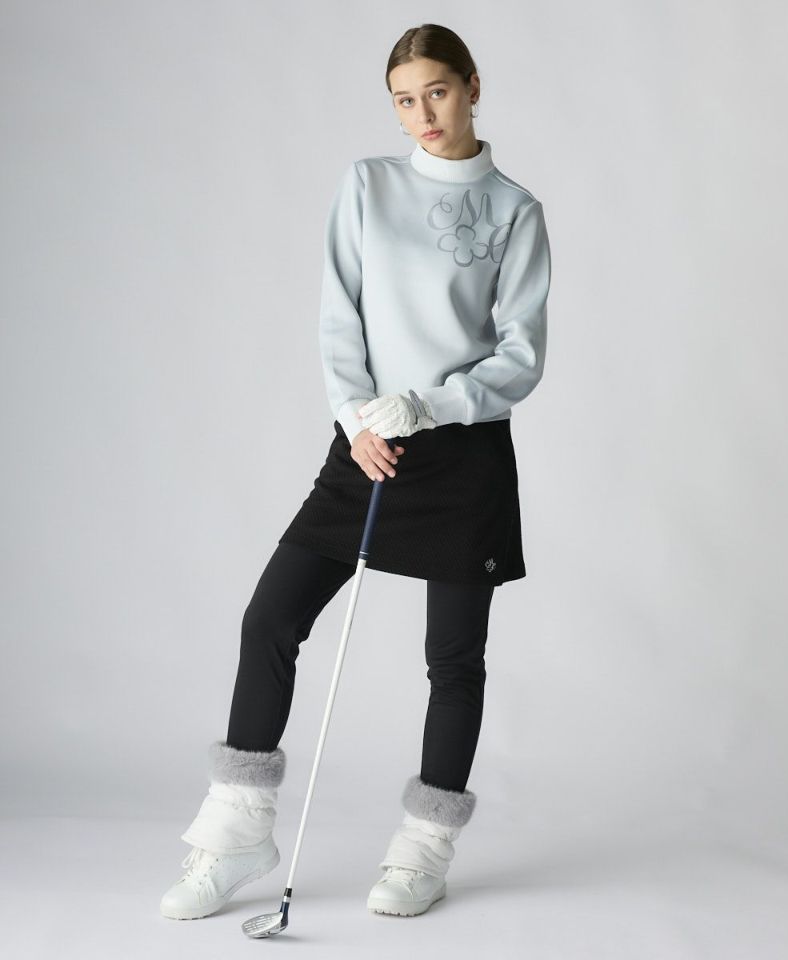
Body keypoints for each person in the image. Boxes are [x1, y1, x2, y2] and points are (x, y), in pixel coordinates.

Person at [160, 21, 551, 922]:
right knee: (271, 617)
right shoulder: (368, 185)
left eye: (437, 92)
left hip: (462, 451)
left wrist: (433, 404)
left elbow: (522, 354)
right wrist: (357, 417)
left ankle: (422, 853)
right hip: (370, 438)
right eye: (404, 101)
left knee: (453, 660)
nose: (423, 114)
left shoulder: (516, 210)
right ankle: (235, 833)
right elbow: (340, 314)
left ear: (473, 86)